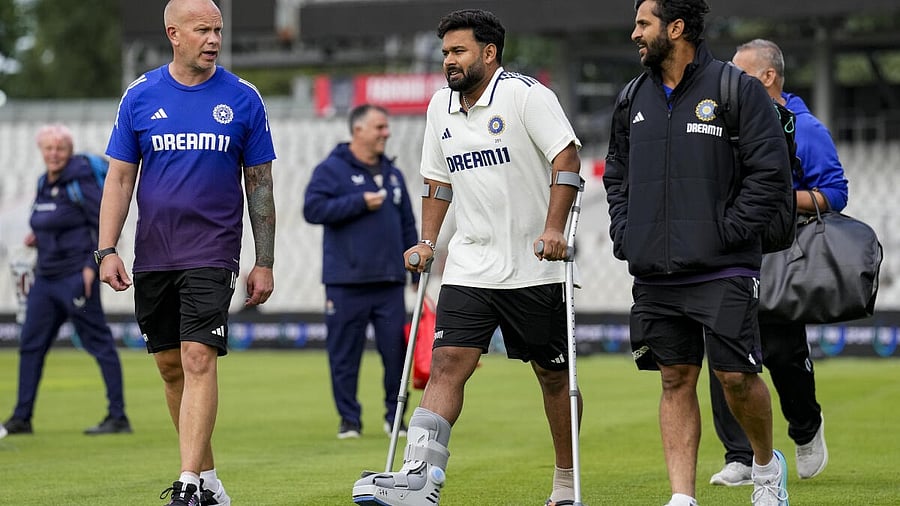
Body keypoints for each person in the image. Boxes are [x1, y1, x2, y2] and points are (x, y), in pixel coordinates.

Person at [352, 9, 583, 506]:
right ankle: (420, 480)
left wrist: (552, 229)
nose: (448, 62)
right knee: (447, 363)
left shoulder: (526, 95)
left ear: (489, 53)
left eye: (458, 52)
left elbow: (567, 160)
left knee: (552, 376)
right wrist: (428, 242)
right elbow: (438, 181)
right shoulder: (440, 107)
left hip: (533, 265)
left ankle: (566, 479)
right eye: (445, 53)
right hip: (470, 264)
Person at [603, 2, 794, 505]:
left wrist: (728, 230)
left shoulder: (737, 89)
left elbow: (770, 174)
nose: (634, 34)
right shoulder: (630, 98)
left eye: (643, 24)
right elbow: (616, 174)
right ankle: (682, 497)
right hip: (654, 268)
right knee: (675, 378)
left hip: (724, 263)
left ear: (676, 28)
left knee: (735, 376)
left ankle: (765, 467)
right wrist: (626, 231)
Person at [97, 0, 276, 504]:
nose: (214, 39)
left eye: (218, 29)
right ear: (174, 34)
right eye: (203, 30)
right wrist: (106, 248)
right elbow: (120, 177)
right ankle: (211, 479)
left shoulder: (243, 98)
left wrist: (264, 260)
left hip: (213, 252)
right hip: (154, 254)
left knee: (200, 357)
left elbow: (260, 183)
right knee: (171, 367)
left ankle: (189, 484)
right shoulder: (140, 95)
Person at [707, 38, 849, 487]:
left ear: (767, 76)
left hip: (783, 254)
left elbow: (837, 194)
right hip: (731, 253)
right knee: (723, 349)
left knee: (784, 352)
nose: (730, 79)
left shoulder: (805, 129)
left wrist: (778, 197)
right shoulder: (724, 123)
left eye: (741, 72)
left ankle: (806, 428)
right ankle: (741, 456)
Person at [0, 123, 131, 438]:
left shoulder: (81, 180)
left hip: (75, 277)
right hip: (45, 279)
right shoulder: (44, 182)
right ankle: (22, 417)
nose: (54, 154)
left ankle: (118, 416)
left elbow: (102, 222)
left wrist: (91, 265)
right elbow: (49, 219)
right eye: (49, 148)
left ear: (68, 151)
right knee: (31, 345)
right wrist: (37, 236)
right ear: (41, 151)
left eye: (60, 148)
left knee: (98, 343)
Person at [303, 103, 420, 440]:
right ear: (358, 130)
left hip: (388, 282)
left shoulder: (393, 174)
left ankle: (395, 417)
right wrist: (357, 202)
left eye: (386, 127)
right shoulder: (332, 169)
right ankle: (349, 420)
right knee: (344, 355)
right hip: (345, 282)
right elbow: (312, 209)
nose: (387, 133)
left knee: (396, 354)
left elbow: (407, 223)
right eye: (380, 127)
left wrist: (414, 271)